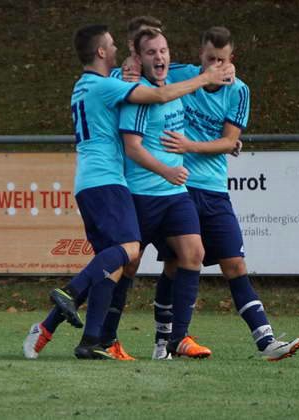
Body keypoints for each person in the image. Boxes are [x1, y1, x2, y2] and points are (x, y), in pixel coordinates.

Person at [22, 23, 234, 360]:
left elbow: (181, 82)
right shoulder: (111, 86)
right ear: (102, 52)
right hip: (110, 181)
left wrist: (223, 138)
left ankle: (88, 339)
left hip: (104, 181)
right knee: (126, 253)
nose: (117, 50)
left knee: (129, 258)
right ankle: (70, 296)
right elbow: (158, 99)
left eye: (162, 50)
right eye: (112, 46)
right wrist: (205, 78)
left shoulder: (91, 84)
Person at [153, 26, 299, 361]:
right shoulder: (179, 74)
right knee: (176, 264)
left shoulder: (239, 91)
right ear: (200, 55)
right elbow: (142, 72)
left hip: (214, 189)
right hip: (179, 187)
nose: (216, 66)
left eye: (221, 60)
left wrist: (190, 145)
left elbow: (228, 140)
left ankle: (266, 341)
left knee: (235, 264)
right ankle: (163, 342)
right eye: (210, 59)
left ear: (231, 58)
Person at [119, 28, 212, 359]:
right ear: (138, 58)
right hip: (141, 194)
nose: (159, 57)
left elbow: (211, 68)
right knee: (127, 265)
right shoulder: (137, 94)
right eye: (151, 52)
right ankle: (104, 335)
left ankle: (178, 338)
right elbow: (132, 147)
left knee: (193, 254)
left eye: (163, 50)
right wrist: (167, 170)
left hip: (175, 194)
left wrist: (225, 142)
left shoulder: (173, 85)